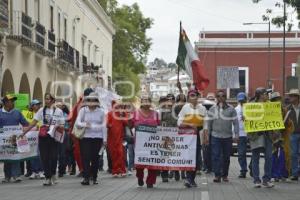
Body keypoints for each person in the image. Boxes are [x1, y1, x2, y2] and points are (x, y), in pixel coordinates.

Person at [23, 93, 65, 186]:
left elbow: (62, 124)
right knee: (44, 157)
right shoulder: (41, 110)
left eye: (48, 99)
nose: (46, 101)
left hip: (54, 136)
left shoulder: (59, 111)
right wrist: (23, 133)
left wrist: (58, 126)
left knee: (54, 157)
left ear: (53, 100)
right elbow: (33, 123)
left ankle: (53, 174)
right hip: (43, 136)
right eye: (45, 99)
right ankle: (47, 177)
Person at [206, 90, 239, 183]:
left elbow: (235, 123)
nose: (221, 98)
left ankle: (225, 175)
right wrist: (207, 136)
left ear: (225, 97)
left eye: (223, 96)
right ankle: (217, 175)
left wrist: (236, 135)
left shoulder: (231, 109)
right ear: (216, 98)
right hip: (215, 136)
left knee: (226, 157)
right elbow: (209, 124)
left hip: (227, 136)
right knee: (216, 156)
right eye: (219, 96)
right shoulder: (212, 109)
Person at [75, 92, 106, 185]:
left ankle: (95, 177)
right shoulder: (83, 110)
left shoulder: (101, 112)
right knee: (85, 158)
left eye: (93, 100)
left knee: (95, 158)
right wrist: (85, 124)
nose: (91, 102)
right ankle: (86, 178)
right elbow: (77, 123)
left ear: (97, 102)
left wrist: (105, 139)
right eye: (89, 100)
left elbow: (104, 126)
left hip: (97, 137)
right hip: (85, 137)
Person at [178, 89, 206, 188]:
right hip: (187, 135)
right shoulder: (185, 108)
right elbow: (179, 122)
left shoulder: (202, 108)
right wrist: (189, 124)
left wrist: (205, 137)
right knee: (188, 156)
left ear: (198, 97)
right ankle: (188, 179)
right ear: (189, 98)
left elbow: (205, 124)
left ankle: (192, 179)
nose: (193, 97)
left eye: (194, 95)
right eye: (191, 96)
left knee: (197, 158)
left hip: (198, 135)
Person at [248, 87, 274, 188]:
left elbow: (274, 118)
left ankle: (266, 179)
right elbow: (247, 119)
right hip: (255, 134)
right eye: (265, 94)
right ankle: (256, 180)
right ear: (260, 95)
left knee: (269, 157)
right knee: (255, 157)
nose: (267, 96)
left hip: (268, 134)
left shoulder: (271, 105)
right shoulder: (251, 106)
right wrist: (245, 117)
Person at [131, 95, 160, 188]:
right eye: (144, 100)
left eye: (147, 100)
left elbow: (160, 127)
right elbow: (130, 125)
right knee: (140, 162)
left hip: (152, 143)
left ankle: (150, 181)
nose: (146, 101)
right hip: (139, 143)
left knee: (152, 161)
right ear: (141, 102)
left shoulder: (156, 113)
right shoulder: (135, 113)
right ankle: (140, 177)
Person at [1, 95, 29, 183]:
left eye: (13, 101)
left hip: (15, 139)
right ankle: (7, 176)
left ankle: (16, 175)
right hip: (3, 140)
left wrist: (26, 128)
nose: (12, 103)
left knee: (15, 156)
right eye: (10, 101)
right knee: (6, 157)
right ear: (5, 103)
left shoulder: (17, 112)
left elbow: (25, 123)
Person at [22, 99, 45, 179]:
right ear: (32, 106)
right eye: (36, 104)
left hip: (40, 136)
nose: (38, 106)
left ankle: (41, 171)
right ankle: (34, 171)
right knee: (31, 154)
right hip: (30, 137)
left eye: (39, 104)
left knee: (39, 154)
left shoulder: (42, 113)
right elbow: (24, 124)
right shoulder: (26, 113)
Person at [160, 93, 180, 182]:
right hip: (165, 135)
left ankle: (176, 171)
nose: (170, 100)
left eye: (172, 99)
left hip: (175, 135)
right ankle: (164, 174)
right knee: (164, 155)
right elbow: (159, 122)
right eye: (168, 99)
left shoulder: (177, 110)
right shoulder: (162, 111)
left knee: (174, 155)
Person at [107, 100, 128, 177]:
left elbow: (126, 123)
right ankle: (115, 171)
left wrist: (122, 115)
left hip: (120, 138)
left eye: (119, 106)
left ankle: (122, 170)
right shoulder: (109, 114)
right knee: (114, 154)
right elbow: (106, 123)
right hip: (111, 138)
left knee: (120, 154)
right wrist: (109, 125)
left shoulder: (122, 114)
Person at [285, 88, 300, 181]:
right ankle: (295, 173)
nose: (290, 97)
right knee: (294, 154)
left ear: (297, 97)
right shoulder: (287, 109)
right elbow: (284, 122)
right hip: (292, 134)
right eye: (290, 95)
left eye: (292, 96)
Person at [235, 92, 248, 178]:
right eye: (240, 100)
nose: (242, 102)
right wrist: (235, 134)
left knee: (255, 153)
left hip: (251, 133)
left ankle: (252, 167)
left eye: (243, 100)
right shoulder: (236, 109)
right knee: (241, 153)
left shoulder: (251, 108)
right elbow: (234, 123)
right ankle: (243, 170)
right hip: (241, 134)